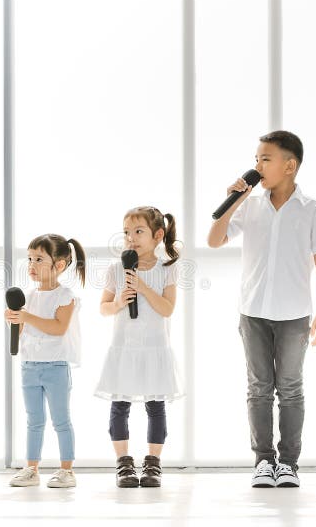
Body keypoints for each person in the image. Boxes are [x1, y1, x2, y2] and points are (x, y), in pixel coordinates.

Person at [207, 130, 316, 488]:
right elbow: (214, 240)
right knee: (259, 388)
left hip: (295, 314)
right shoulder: (248, 205)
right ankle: (263, 460)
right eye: (256, 159)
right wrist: (233, 200)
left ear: (289, 165)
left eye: (265, 159)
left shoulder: (312, 210)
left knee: (291, 388)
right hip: (253, 312)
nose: (258, 165)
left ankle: (289, 464)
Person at [96, 207, 183, 488]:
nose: (130, 238)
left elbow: (167, 309)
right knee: (119, 405)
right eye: (126, 232)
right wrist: (120, 302)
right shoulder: (116, 268)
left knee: (155, 406)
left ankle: (152, 463)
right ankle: (124, 464)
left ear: (158, 235)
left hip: (154, 349)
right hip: (124, 348)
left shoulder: (167, 268)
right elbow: (104, 308)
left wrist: (143, 287)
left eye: (138, 231)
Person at [5, 234, 86, 489]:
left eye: (39, 259)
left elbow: (58, 328)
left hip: (55, 367)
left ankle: (67, 470)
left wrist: (26, 317)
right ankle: (32, 468)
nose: (32, 264)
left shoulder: (65, 296)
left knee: (61, 419)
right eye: (30, 258)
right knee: (34, 420)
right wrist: (14, 320)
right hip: (30, 367)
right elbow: (22, 332)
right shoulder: (28, 296)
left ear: (59, 265)